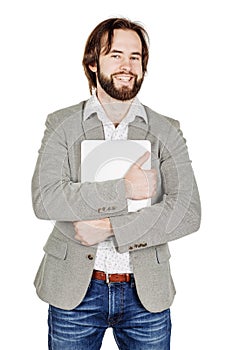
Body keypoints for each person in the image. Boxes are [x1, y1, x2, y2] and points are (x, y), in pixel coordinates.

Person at [32, 17, 201, 350]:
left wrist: (111, 227)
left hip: (146, 293)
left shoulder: (166, 129)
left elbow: (187, 211)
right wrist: (123, 188)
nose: (127, 65)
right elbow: (46, 198)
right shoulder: (62, 124)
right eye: (116, 55)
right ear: (93, 63)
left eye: (135, 57)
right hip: (75, 293)